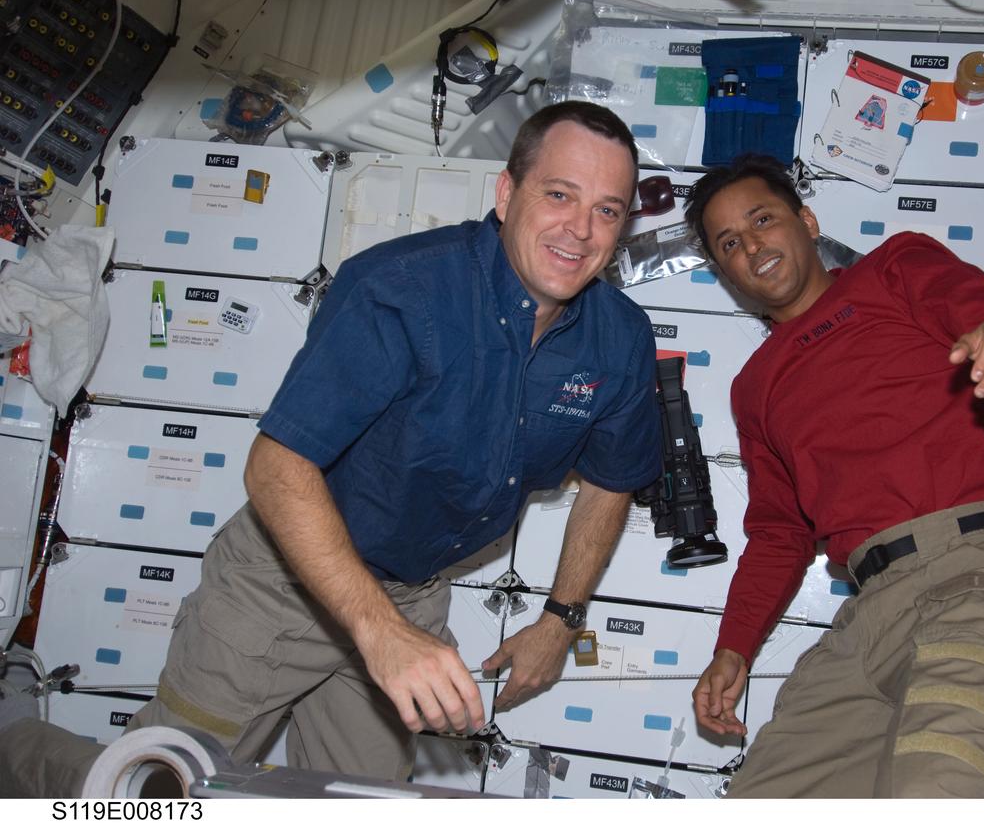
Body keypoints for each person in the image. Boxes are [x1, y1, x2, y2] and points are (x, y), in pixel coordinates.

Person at [124, 101, 663, 781]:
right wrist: (377, 633)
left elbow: (612, 481)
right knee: (161, 784)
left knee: (364, 802)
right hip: (282, 584)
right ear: (506, 193)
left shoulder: (620, 338)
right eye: (559, 194)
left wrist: (560, 619)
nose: (580, 230)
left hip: (412, 596)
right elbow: (275, 465)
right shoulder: (400, 289)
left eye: (608, 210)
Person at [685, 154, 984, 798]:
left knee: (945, 789)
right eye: (730, 242)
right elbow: (780, 535)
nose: (752, 243)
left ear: (807, 220)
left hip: (980, 578)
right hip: (868, 617)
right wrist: (733, 649)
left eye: (763, 219)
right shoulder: (753, 387)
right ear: (723, 269)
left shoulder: (895, 269)